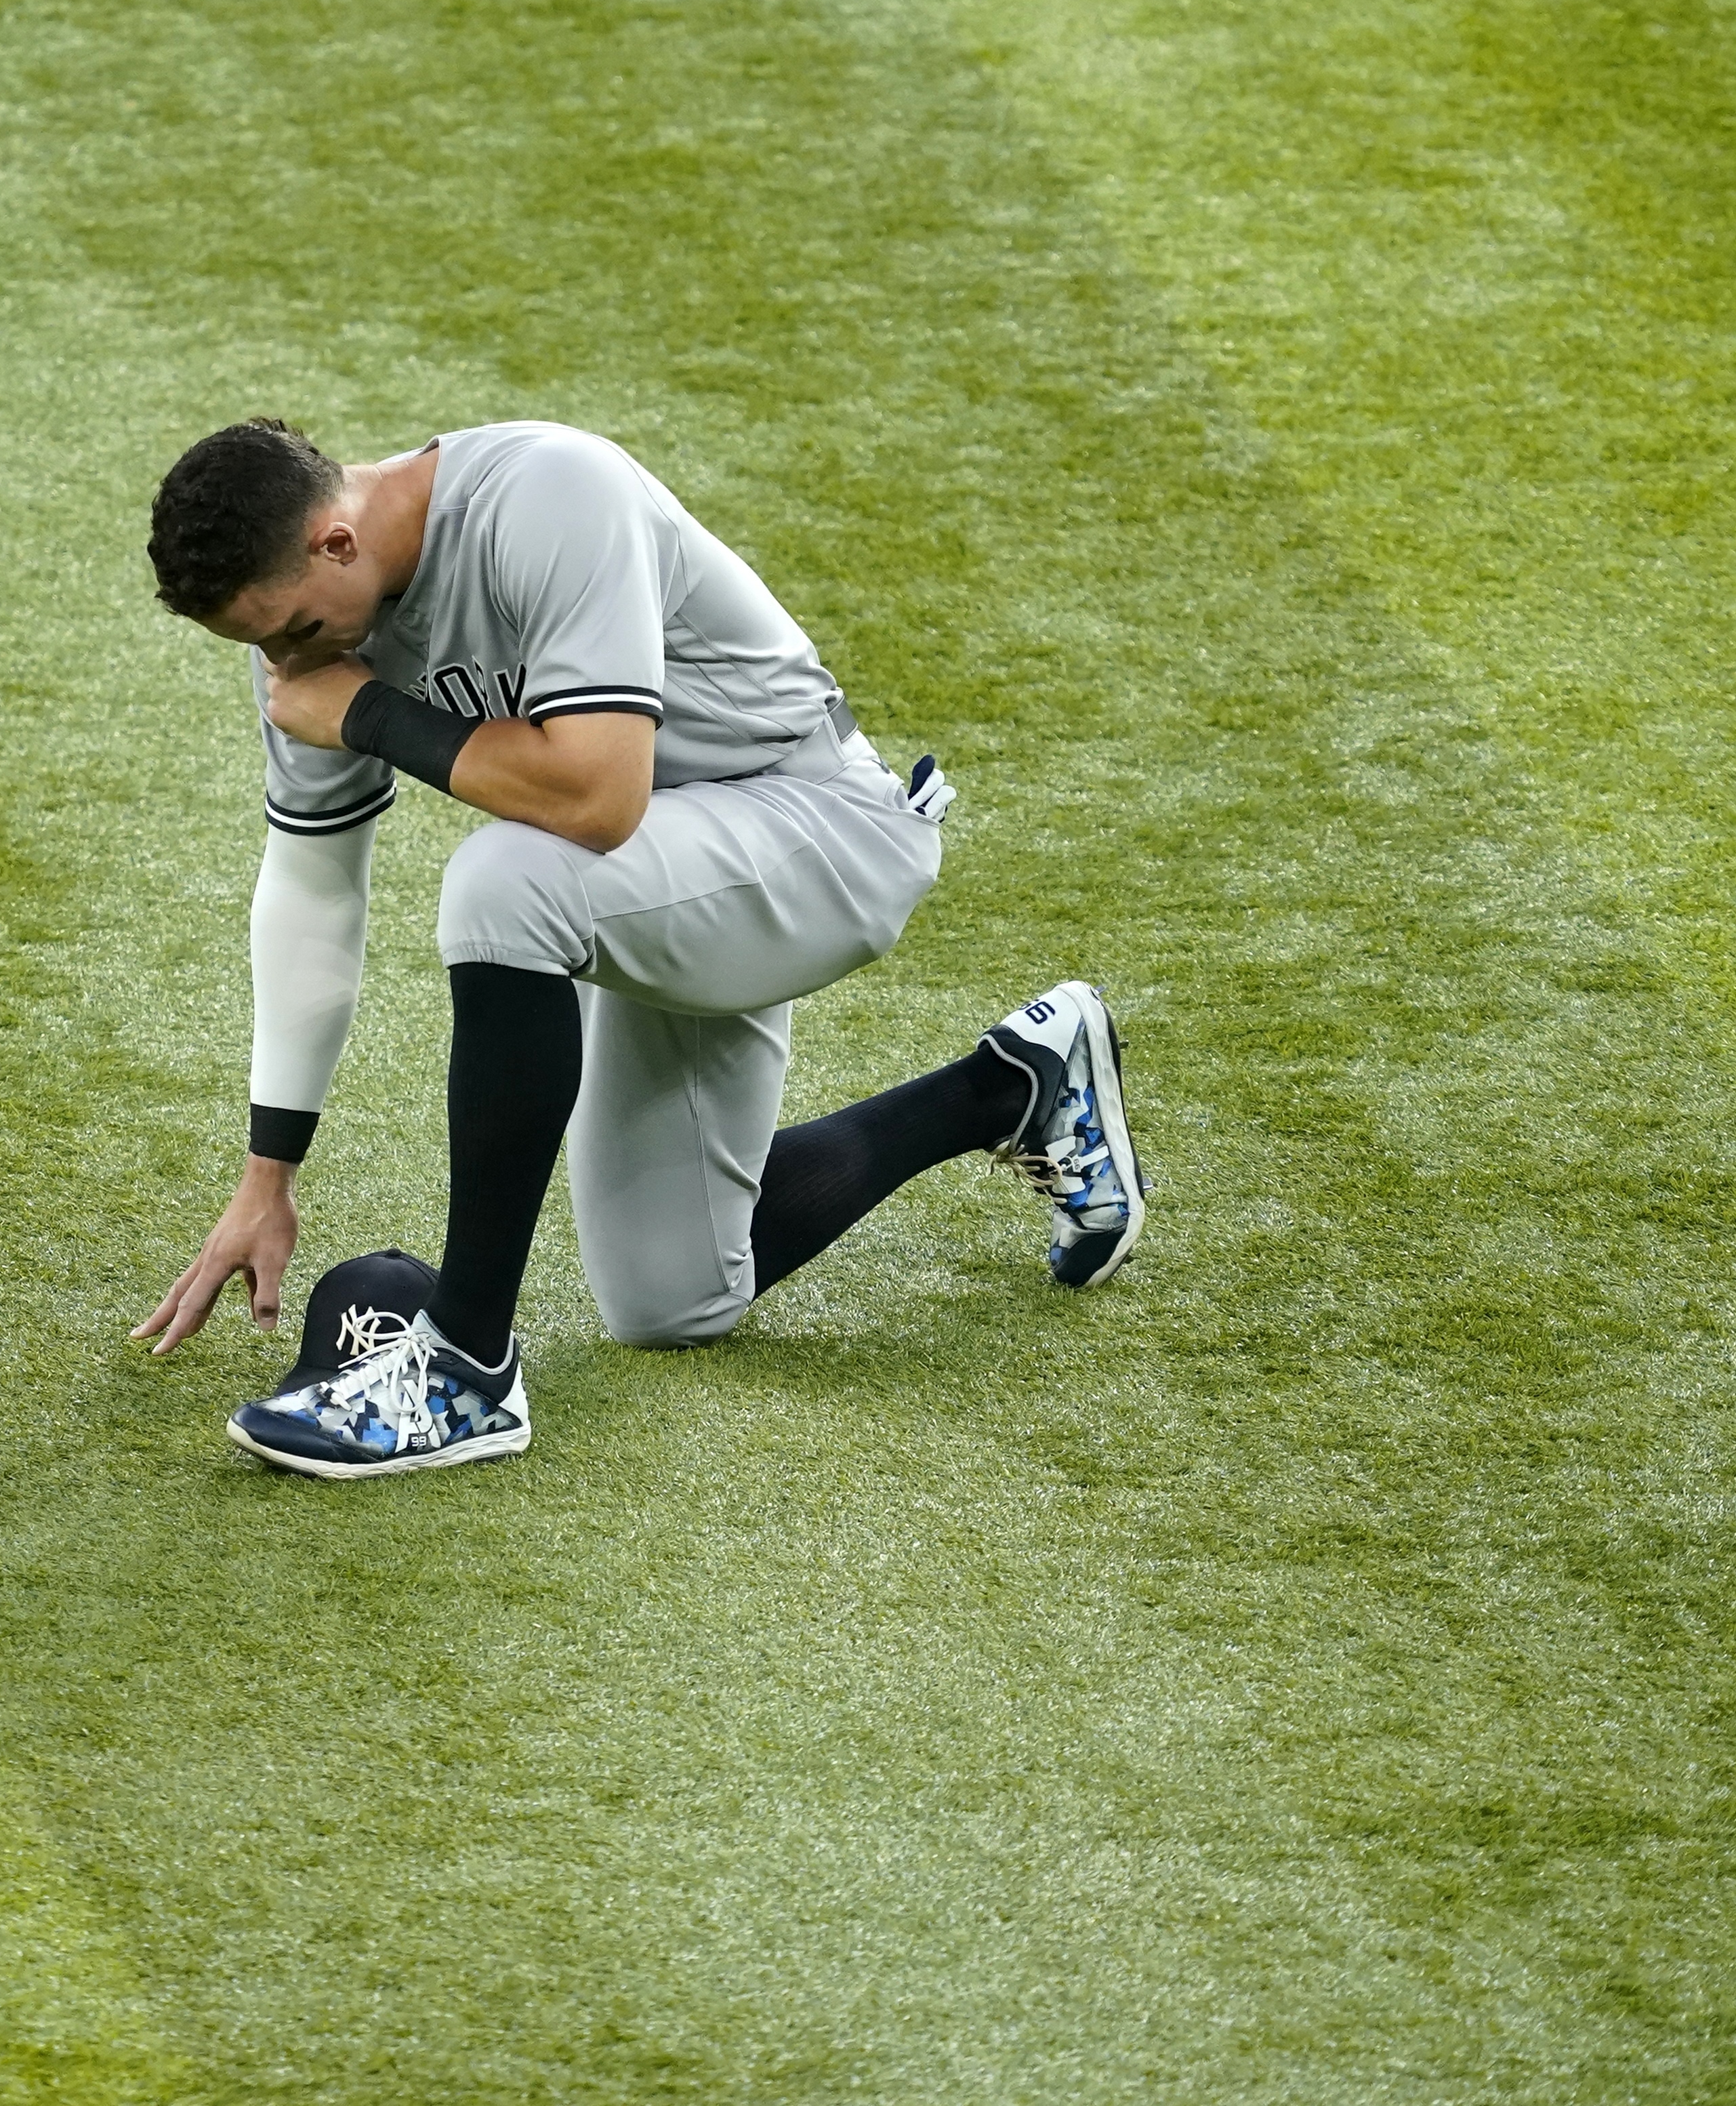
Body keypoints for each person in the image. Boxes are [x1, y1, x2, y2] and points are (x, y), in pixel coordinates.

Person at [131, 419, 1143, 1479]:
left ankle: (464, 1369)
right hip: (670, 875)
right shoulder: (310, 647)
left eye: (291, 630)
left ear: (336, 542)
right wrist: (266, 1176)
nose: (288, 664)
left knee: (503, 884)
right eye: (258, 645)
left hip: (812, 831)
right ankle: (1009, 1087)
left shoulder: (546, 495)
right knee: (673, 1297)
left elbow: (598, 799)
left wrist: (376, 717)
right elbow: (312, 892)